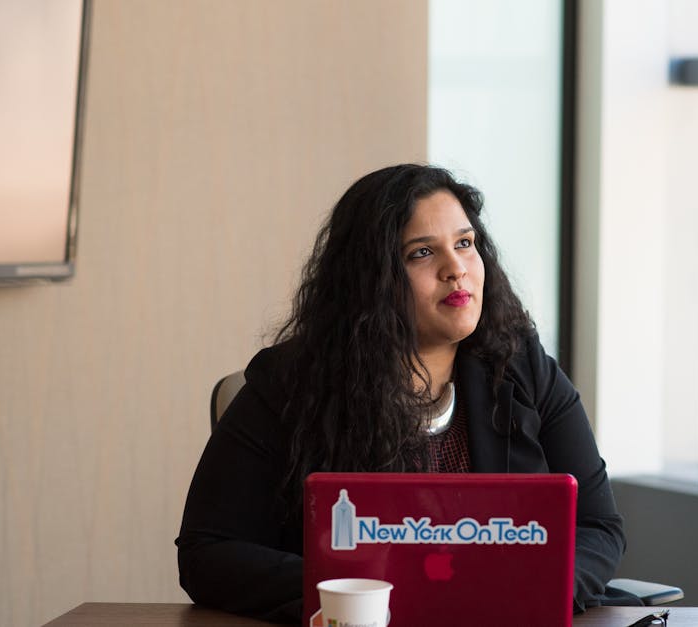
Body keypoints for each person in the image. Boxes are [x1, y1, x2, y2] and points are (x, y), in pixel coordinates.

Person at [175, 164, 631, 623]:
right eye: (421, 253)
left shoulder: (524, 368)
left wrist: (530, 588)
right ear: (369, 278)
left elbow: (598, 526)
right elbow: (207, 550)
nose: (456, 269)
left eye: (465, 243)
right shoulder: (290, 384)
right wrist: (352, 592)